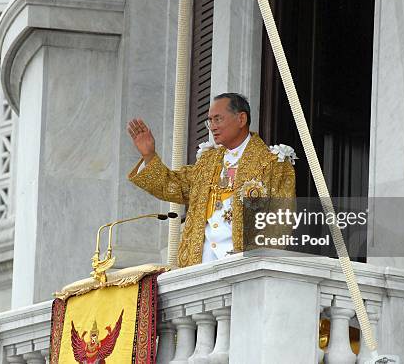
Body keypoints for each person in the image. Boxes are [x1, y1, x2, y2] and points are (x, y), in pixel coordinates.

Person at [127, 93, 296, 267]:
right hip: (200, 265)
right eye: (210, 121)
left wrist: (255, 266)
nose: (212, 127)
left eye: (218, 119)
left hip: (243, 268)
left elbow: (280, 223)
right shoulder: (207, 162)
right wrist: (149, 155)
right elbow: (173, 186)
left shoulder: (273, 163)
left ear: (241, 119)